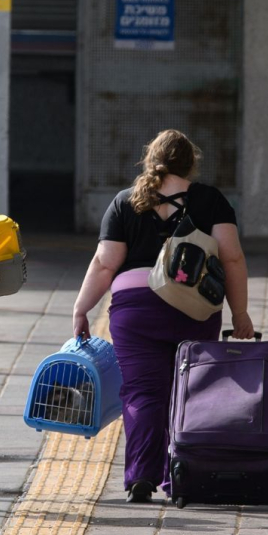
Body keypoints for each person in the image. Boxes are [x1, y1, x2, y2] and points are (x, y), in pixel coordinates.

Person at [70, 130, 254, 503]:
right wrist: (241, 314)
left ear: (150, 159)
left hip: (135, 309)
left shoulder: (125, 202)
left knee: (141, 393)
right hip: (195, 308)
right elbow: (232, 258)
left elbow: (105, 264)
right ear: (191, 163)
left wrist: (81, 308)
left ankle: (140, 476)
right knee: (189, 393)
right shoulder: (211, 200)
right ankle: (180, 477)